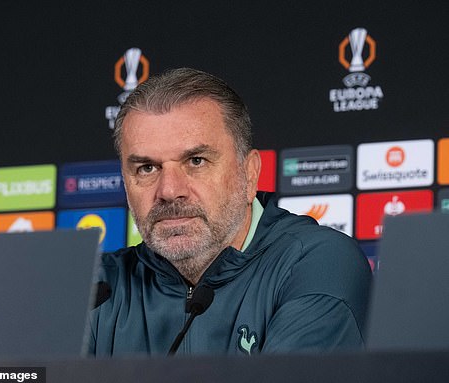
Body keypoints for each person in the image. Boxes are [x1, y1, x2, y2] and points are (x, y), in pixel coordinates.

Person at [87, 68, 372, 356]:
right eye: (147, 168)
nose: (169, 191)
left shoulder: (317, 263)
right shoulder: (98, 287)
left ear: (249, 174)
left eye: (196, 161)